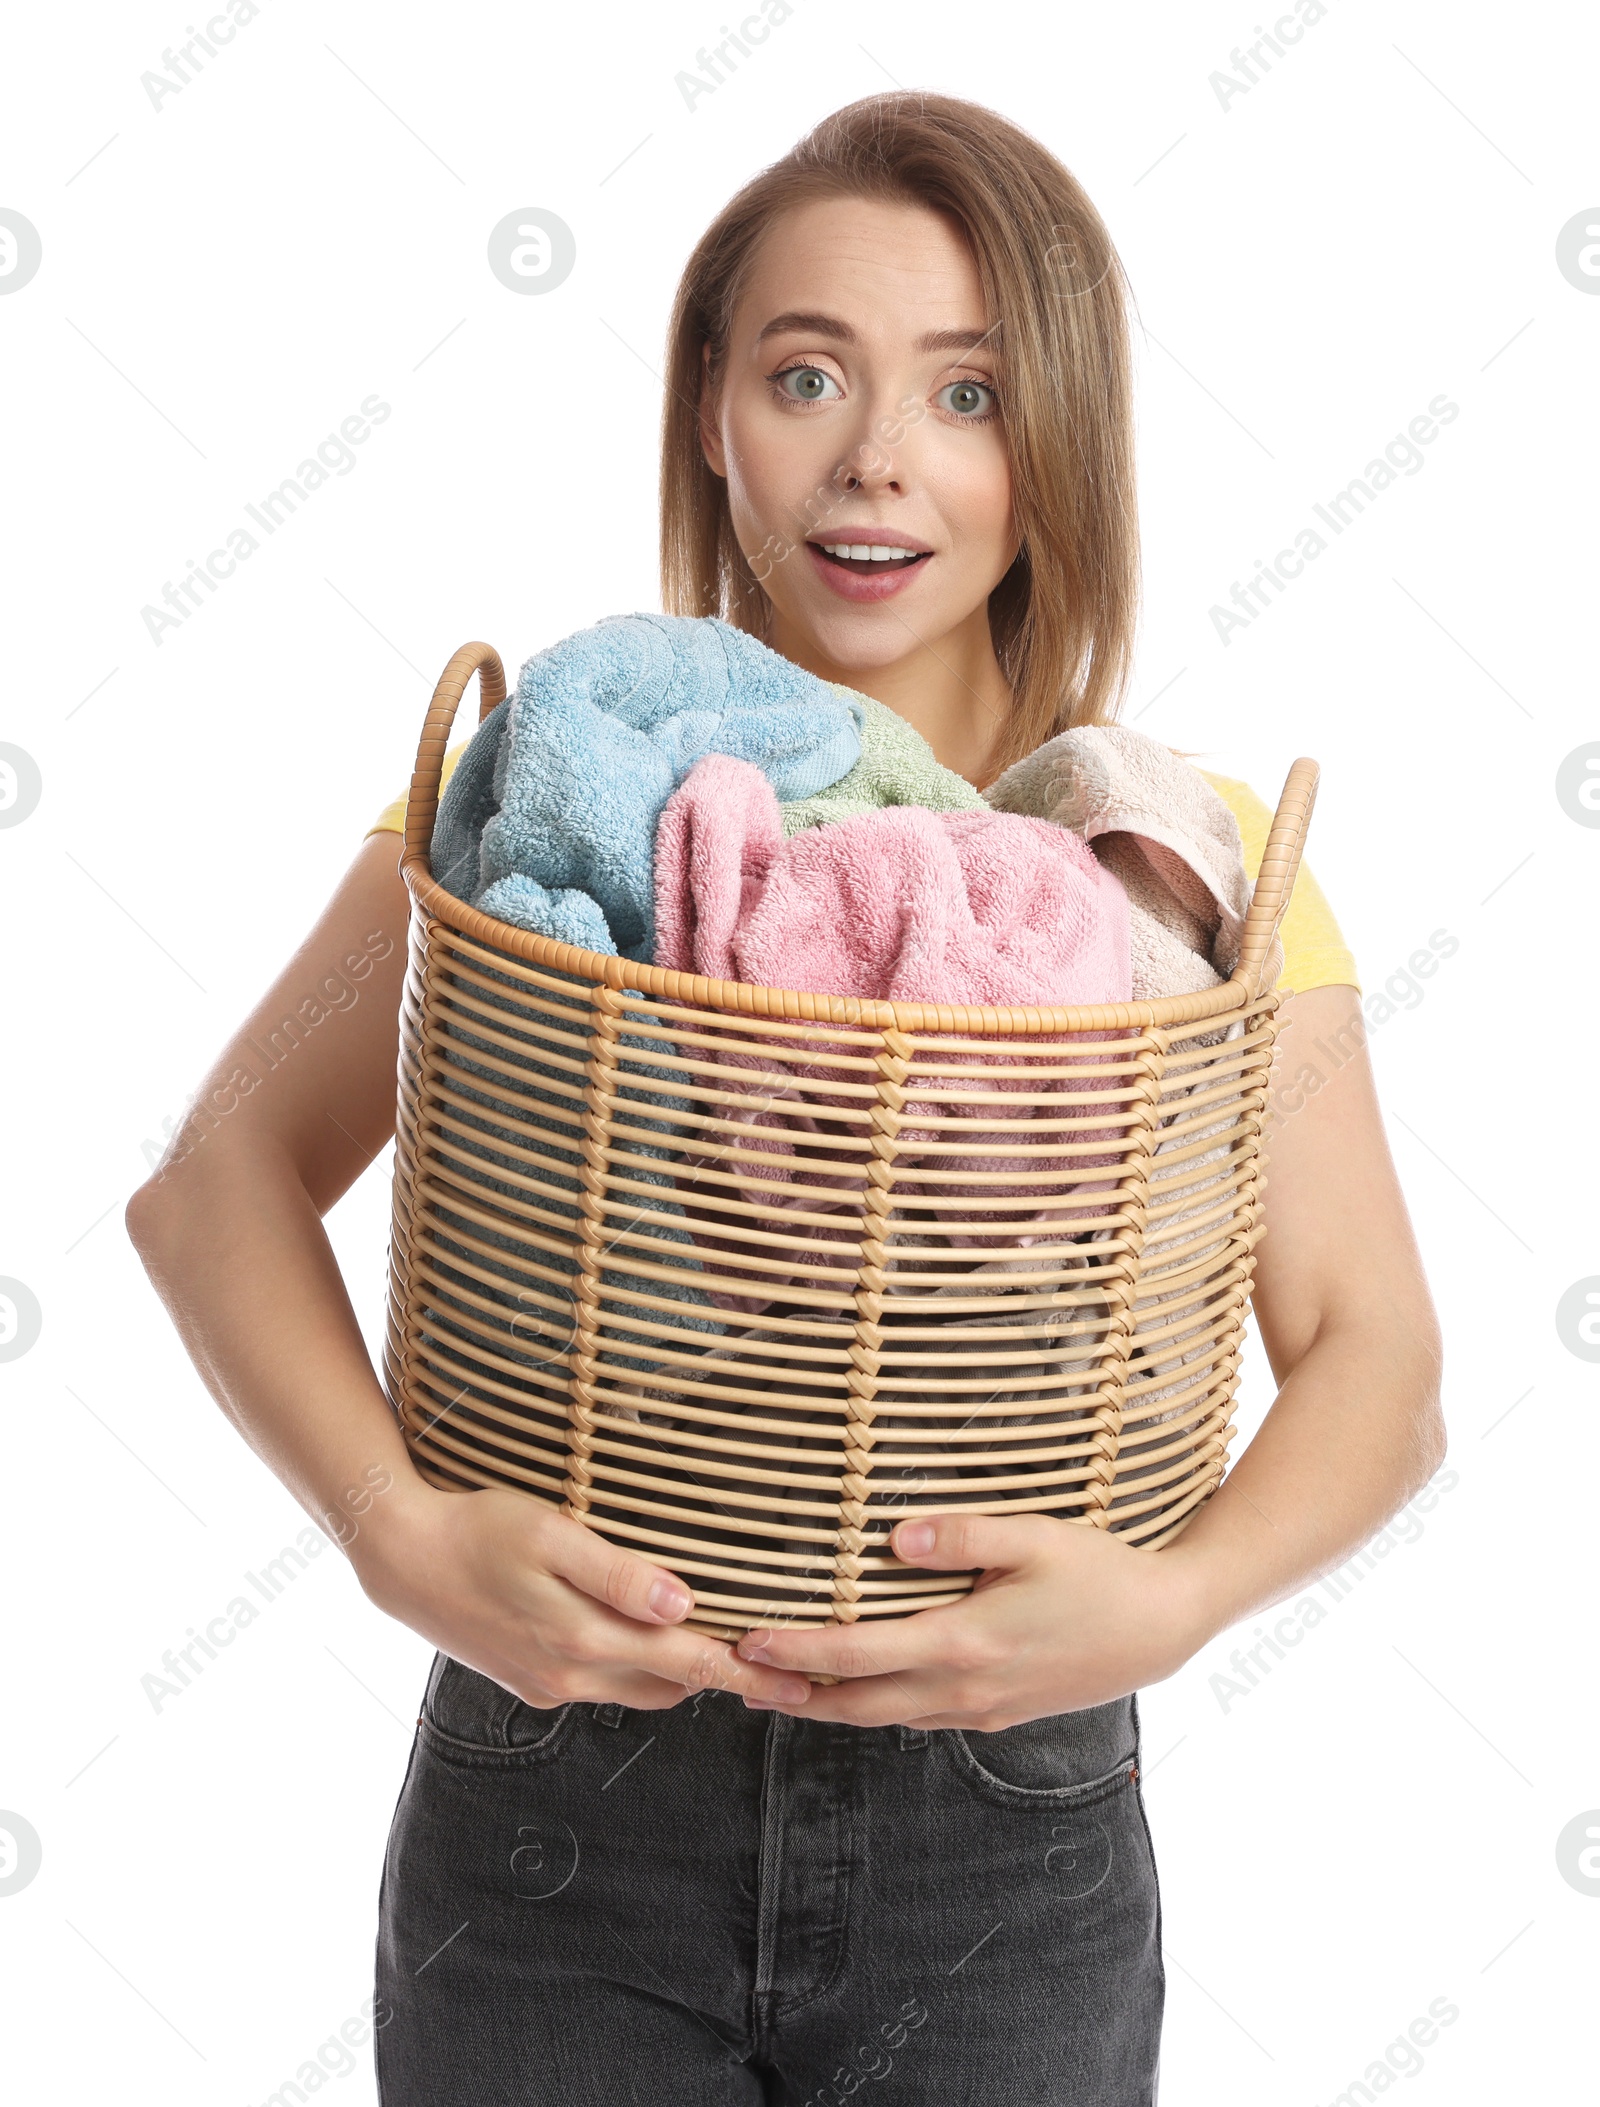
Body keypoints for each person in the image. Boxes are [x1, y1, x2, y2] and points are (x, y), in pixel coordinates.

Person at [127, 91, 1444, 2107]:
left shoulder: (1184, 865)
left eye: (968, 392)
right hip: (560, 1795)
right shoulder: (541, 796)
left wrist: (1170, 1605)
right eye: (804, 372)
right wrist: (390, 1526)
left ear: (1054, 444)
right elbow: (212, 1178)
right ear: (713, 418)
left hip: (1003, 1825)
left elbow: (1373, 1359)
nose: (875, 458)